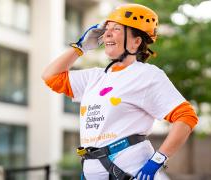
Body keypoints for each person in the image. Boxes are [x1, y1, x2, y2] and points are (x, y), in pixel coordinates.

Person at [42, 3, 198, 180]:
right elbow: (50, 76)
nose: (107, 33)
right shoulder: (94, 77)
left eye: (116, 28)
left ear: (136, 41)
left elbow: (186, 117)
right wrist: (81, 47)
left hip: (133, 173)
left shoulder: (146, 75)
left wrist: (157, 160)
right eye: (106, 28)